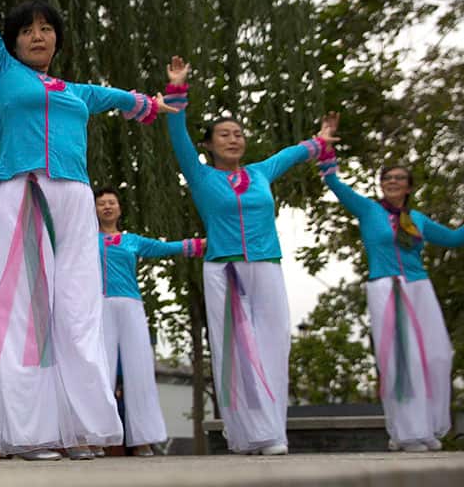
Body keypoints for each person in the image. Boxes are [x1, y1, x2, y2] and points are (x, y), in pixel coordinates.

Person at [0, 0, 175, 461]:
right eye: (27, 29)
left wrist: (154, 104)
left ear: (58, 40)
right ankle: (32, 433)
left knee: (78, 307)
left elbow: (123, 98)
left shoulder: (76, 91)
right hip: (23, 191)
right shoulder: (2, 71)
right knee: (28, 310)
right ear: (14, 41)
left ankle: (80, 428)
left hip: (73, 197)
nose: (38, 35)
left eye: (46, 28)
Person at [162, 57, 337, 455]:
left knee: (275, 345)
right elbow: (178, 138)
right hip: (224, 270)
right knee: (237, 351)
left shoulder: (260, 172)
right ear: (210, 144)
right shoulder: (201, 175)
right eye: (223, 134)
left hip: (268, 266)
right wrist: (177, 91)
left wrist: (321, 140)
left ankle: (271, 431)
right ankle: (252, 435)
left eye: (238, 133)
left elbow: (295, 153)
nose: (233, 139)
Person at [314, 133, 463, 453]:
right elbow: (335, 185)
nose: (392, 181)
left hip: (420, 287)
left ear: (408, 187)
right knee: (400, 360)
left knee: (438, 356)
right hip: (386, 287)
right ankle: (407, 433)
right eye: (387, 178)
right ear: (381, 185)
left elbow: (453, 239)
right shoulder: (369, 210)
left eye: (399, 178)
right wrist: (325, 151)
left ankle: (428, 426)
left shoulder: (417, 219)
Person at [94, 188, 204, 456]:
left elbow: (164, 247)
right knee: (99, 370)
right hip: (97, 306)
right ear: (94, 210)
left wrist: (202, 244)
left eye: (112, 202)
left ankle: (143, 439)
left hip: (131, 306)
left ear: (119, 209)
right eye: (101, 204)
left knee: (139, 370)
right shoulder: (84, 239)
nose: (107, 207)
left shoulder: (132, 240)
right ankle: (96, 437)